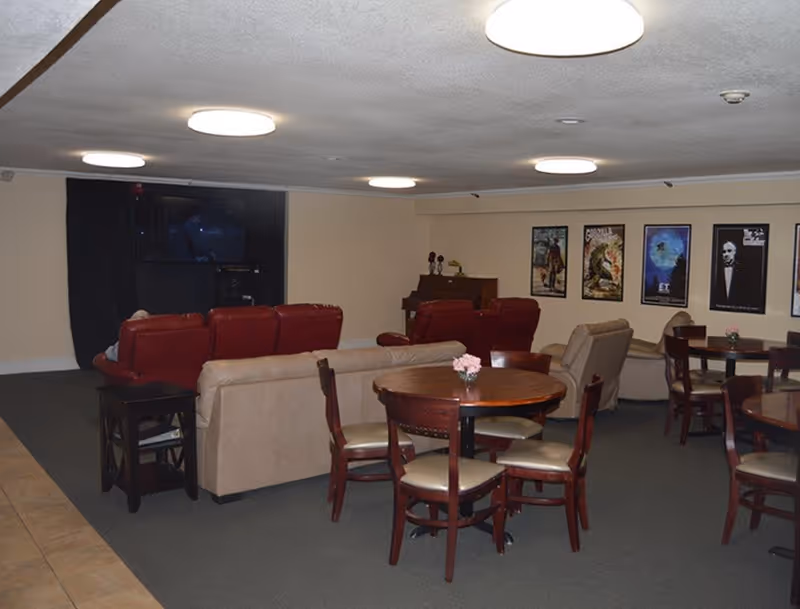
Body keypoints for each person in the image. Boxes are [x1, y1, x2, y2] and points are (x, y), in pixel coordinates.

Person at [713, 239, 755, 310]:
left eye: (729, 251)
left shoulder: (744, 272)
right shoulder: (716, 272)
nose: (726, 254)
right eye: (724, 252)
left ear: (734, 252)